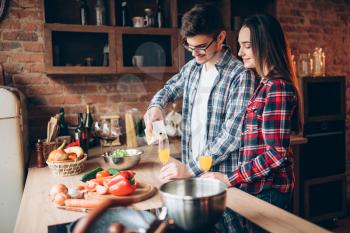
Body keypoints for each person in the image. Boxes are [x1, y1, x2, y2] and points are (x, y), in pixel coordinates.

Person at [202, 14, 304, 232]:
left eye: (247, 46)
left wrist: (231, 178)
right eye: (240, 46)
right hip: (258, 188)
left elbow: (276, 153)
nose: (240, 53)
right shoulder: (264, 83)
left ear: (265, 44)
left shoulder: (277, 87)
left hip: (269, 191)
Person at [143, 3, 256, 183]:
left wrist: (190, 169)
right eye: (190, 47)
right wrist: (156, 106)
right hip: (191, 175)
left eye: (201, 46)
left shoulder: (241, 76)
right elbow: (169, 89)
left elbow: (232, 136)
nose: (195, 54)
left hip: (220, 180)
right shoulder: (191, 69)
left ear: (220, 37)